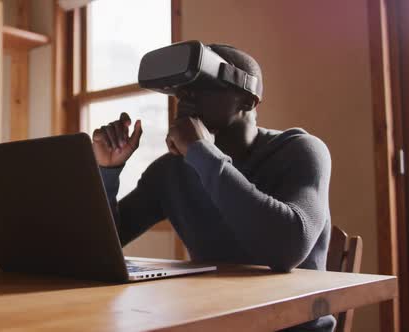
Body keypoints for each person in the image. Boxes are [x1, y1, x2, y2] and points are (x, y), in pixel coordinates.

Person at [92, 44, 334, 332]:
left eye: (202, 84)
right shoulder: (171, 171)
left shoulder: (300, 150)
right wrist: (107, 172)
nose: (185, 95)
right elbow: (101, 249)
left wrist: (201, 151)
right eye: (180, 88)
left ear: (248, 100)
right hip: (216, 323)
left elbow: (287, 248)